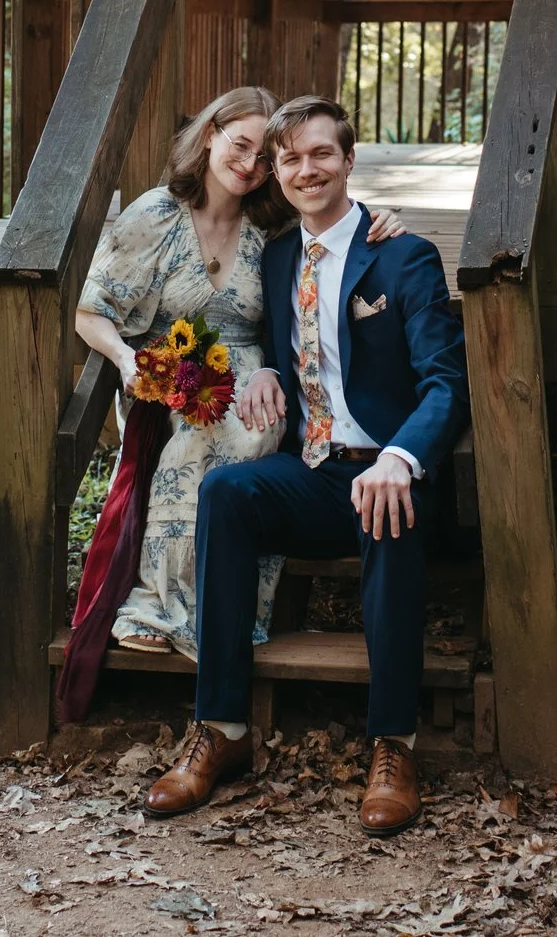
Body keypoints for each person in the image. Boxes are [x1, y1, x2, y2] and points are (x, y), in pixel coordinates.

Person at [141, 95, 468, 838]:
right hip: (315, 471)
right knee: (228, 492)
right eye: (290, 157)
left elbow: (447, 382)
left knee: (388, 505)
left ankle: (394, 744)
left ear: (350, 160)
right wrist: (269, 376)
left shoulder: (402, 254)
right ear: (277, 173)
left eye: (321, 153)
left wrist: (401, 457)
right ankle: (220, 725)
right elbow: (265, 336)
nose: (305, 167)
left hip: (385, 469)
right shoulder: (282, 252)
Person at [61, 89, 409, 721]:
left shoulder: (269, 223)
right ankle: (157, 606)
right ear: (210, 134)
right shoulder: (156, 215)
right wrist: (126, 358)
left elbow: (329, 228)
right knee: (199, 432)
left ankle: (232, 612)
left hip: (255, 367)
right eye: (238, 144)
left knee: (257, 435)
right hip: (171, 364)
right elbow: (92, 311)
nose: (248, 164)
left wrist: (381, 222)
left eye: (261, 153)